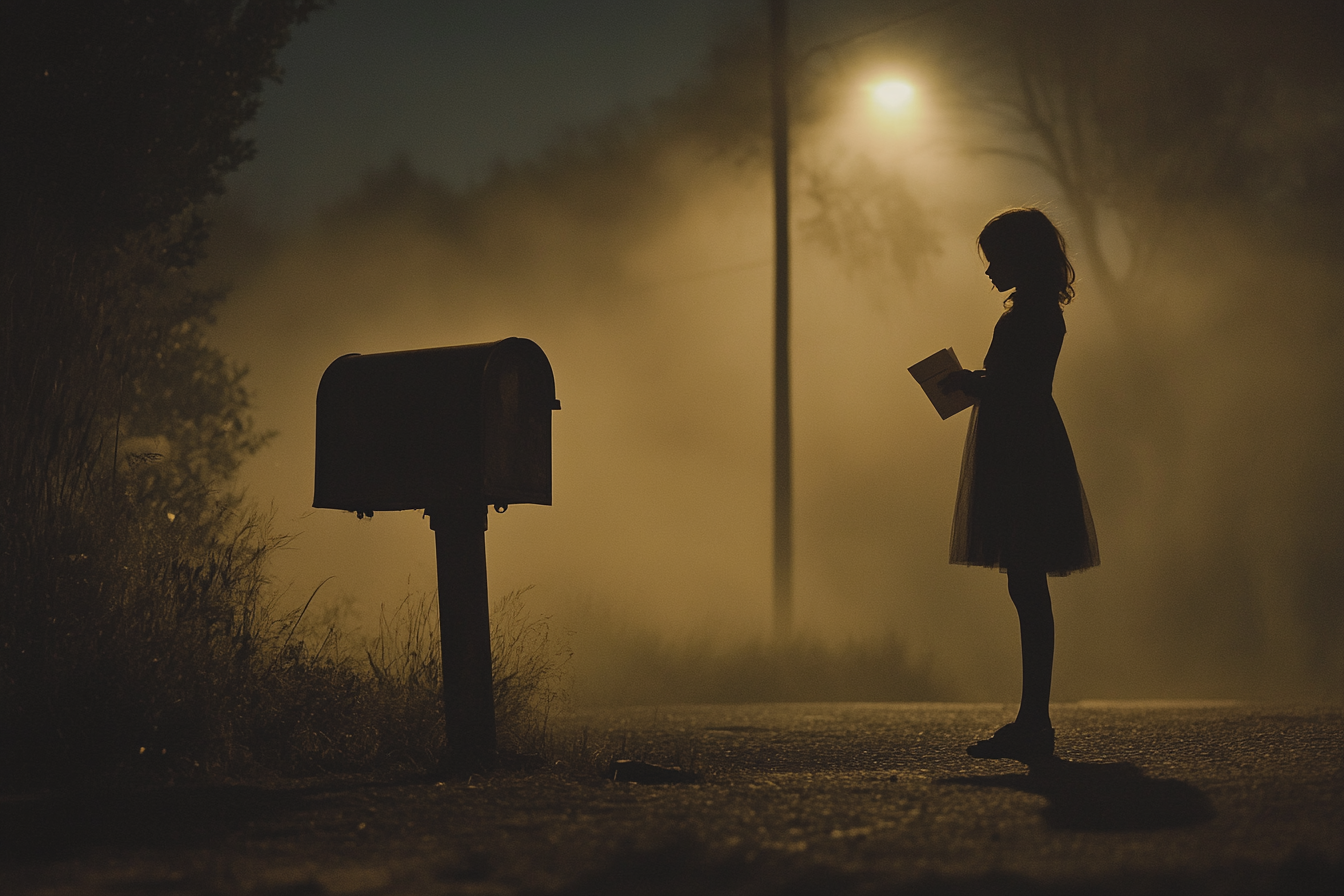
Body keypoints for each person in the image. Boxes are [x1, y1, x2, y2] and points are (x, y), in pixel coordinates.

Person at [940, 207, 1100, 764]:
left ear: (1019, 257)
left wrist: (967, 382)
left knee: (1027, 587)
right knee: (1026, 585)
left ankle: (1036, 722)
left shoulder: (1030, 315)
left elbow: (1017, 384)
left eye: (994, 260)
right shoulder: (1038, 310)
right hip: (1026, 444)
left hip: (1024, 451)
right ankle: (1034, 719)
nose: (988, 273)